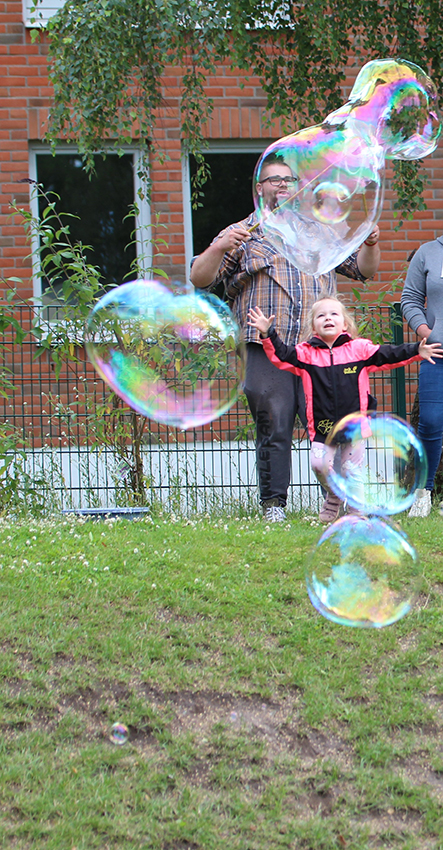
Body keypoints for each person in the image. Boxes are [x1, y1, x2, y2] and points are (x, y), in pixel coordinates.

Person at [190, 152, 381, 522]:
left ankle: (340, 501)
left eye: (288, 180)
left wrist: (371, 244)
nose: (282, 185)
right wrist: (217, 246)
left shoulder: (320, 232)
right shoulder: (242, 234)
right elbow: (200, 278)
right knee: (274, 422)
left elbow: (363, 270)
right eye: (273, 179)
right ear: (258, 188)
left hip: (318, 349)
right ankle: (274, 506)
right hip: (265, 347)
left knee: (333, 425)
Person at [247, 295, 443, 522]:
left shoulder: (359, 350)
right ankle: (334, 494)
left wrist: (416, 350)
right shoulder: (306, 354)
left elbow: (389, 354)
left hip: (354, 429)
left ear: (345, 324)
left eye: (333, 314)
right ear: (313, 326)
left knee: (353, 470)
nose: (327, 318)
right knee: (320, 465)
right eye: (321, 315)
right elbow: (280, 355)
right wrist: (267, 334)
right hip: (323, 429)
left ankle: (356, 513)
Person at [401, 236, 443, 517]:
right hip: (437, 354)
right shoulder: (428, 252)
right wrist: (427, 333)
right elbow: (410, 299)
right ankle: (422, 493)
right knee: (430, 421)